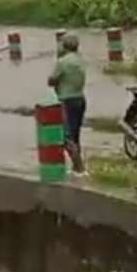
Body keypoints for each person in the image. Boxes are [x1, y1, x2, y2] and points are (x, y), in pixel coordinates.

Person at [48, 32, 87, 175]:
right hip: (80, 99)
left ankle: (79, 167)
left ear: (64, 46)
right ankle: (76, 167)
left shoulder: (62, 62)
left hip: (66, 100)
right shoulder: (80, 60)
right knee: (75, 134)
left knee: (66, 136)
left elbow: (51, 81)